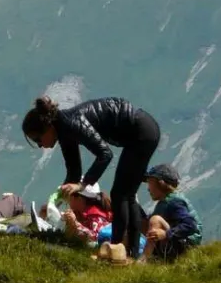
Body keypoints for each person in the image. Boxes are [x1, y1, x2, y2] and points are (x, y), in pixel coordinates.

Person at [21, 96, 161, 260]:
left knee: (121, 194)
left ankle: (116, 252)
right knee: (126, 194)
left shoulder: (71, 124)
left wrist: (83, 185)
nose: (40, 145)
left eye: (38, 139)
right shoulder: (64, 130)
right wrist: (57, 199)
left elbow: (105, 154)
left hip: (142, 131)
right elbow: (74, 171)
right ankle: (128, 253)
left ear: (48, 127)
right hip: (140, 131)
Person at [139, 164, 202, 263]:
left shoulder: (174, 202)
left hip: (186, 245)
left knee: (155, 219)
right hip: (177, 242)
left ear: (161, 183)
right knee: (141, 221)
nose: (148, 188)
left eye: (150, 182)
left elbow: (190, 225)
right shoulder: (165, 201)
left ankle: (144, 260)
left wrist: (166, 234)